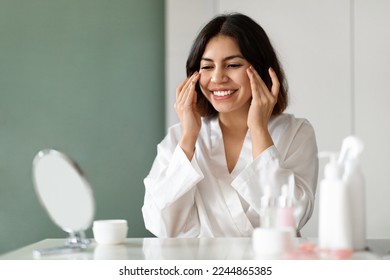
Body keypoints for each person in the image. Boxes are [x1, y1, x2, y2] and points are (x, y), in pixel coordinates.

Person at [142, 12, 318, 238]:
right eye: (207, 67)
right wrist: (189, 140)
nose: (217, 78)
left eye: (232, 64)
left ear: (262, 70)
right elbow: (160, 226)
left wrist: (259, 130)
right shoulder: (179, 138)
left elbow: (293, 218)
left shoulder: (295, 133)